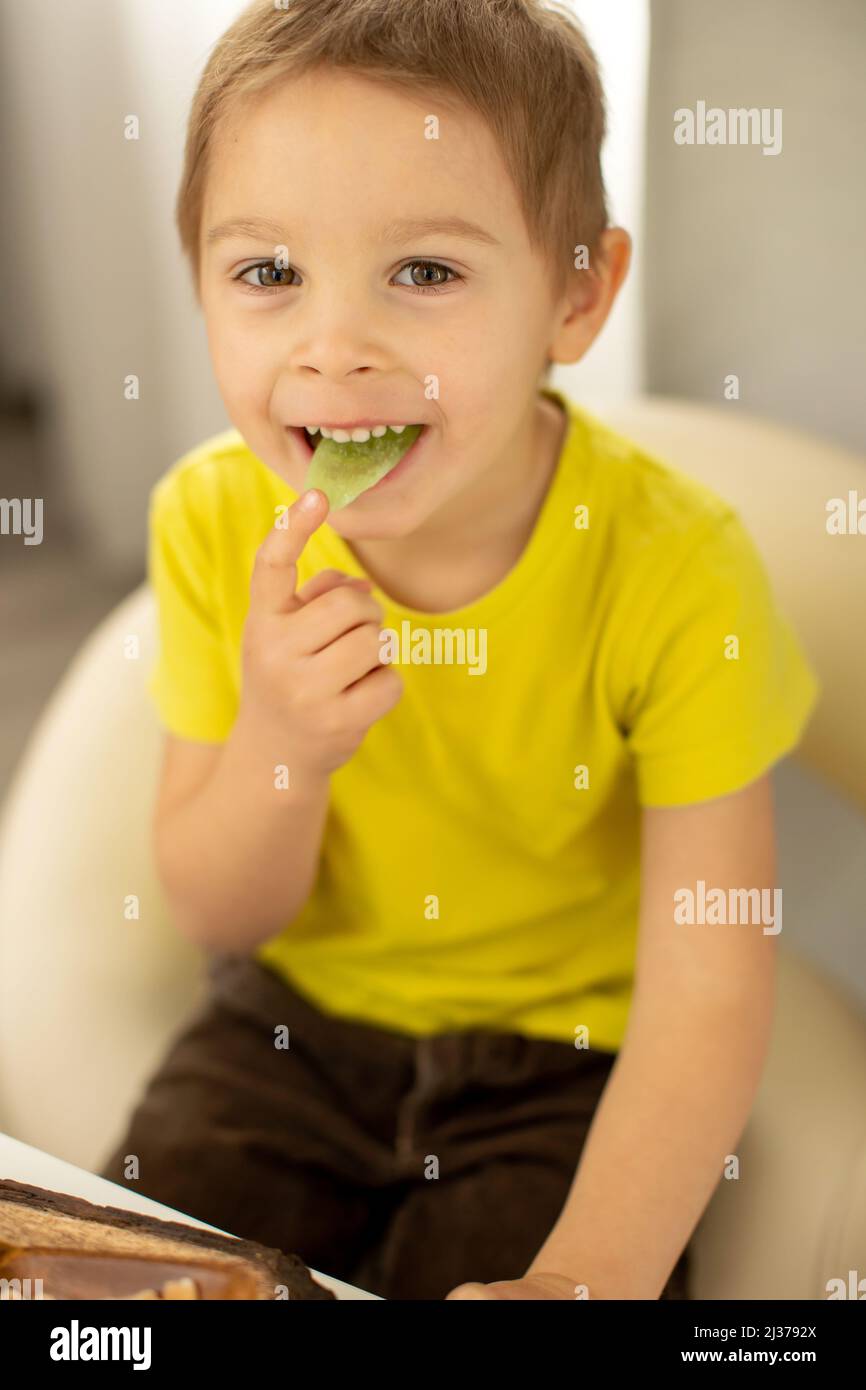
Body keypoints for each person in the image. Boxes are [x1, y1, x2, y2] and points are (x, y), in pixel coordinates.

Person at [99, 0, 820, 1301]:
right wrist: (282, 741)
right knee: (107, 1303)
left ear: (575, 292)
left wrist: (585, 1273)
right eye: (267, 273)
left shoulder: (675, 566)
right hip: (284, 1035)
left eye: (423, 272)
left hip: (563, 1063)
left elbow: (712, 970)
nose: (333, 348)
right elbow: (219, 910)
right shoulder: (210, 519)